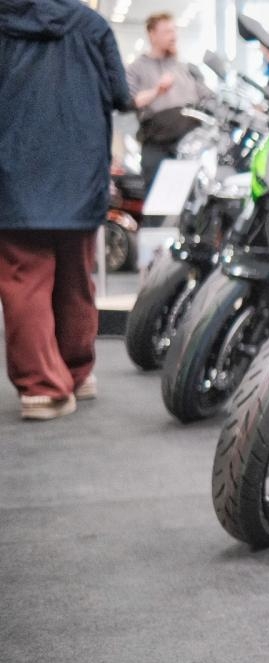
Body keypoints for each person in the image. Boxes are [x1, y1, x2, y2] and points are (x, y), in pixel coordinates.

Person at [0, 0, 132, 420]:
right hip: (79, 171)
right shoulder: (91, 26)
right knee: (76, 278)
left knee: (23, 281)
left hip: (14, 172)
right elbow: (121, 95)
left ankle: (42, 388)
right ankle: (76, 372)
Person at [126, 12, 214, 188]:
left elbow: (208, 97)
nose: (173, 36)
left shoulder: (185, 68)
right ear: (152, 35)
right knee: (158, 197)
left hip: (189, 147)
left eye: (174, 31)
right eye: (167, 31)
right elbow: (131, 101)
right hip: (157, 146)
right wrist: (157, 91)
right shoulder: (136, 68)